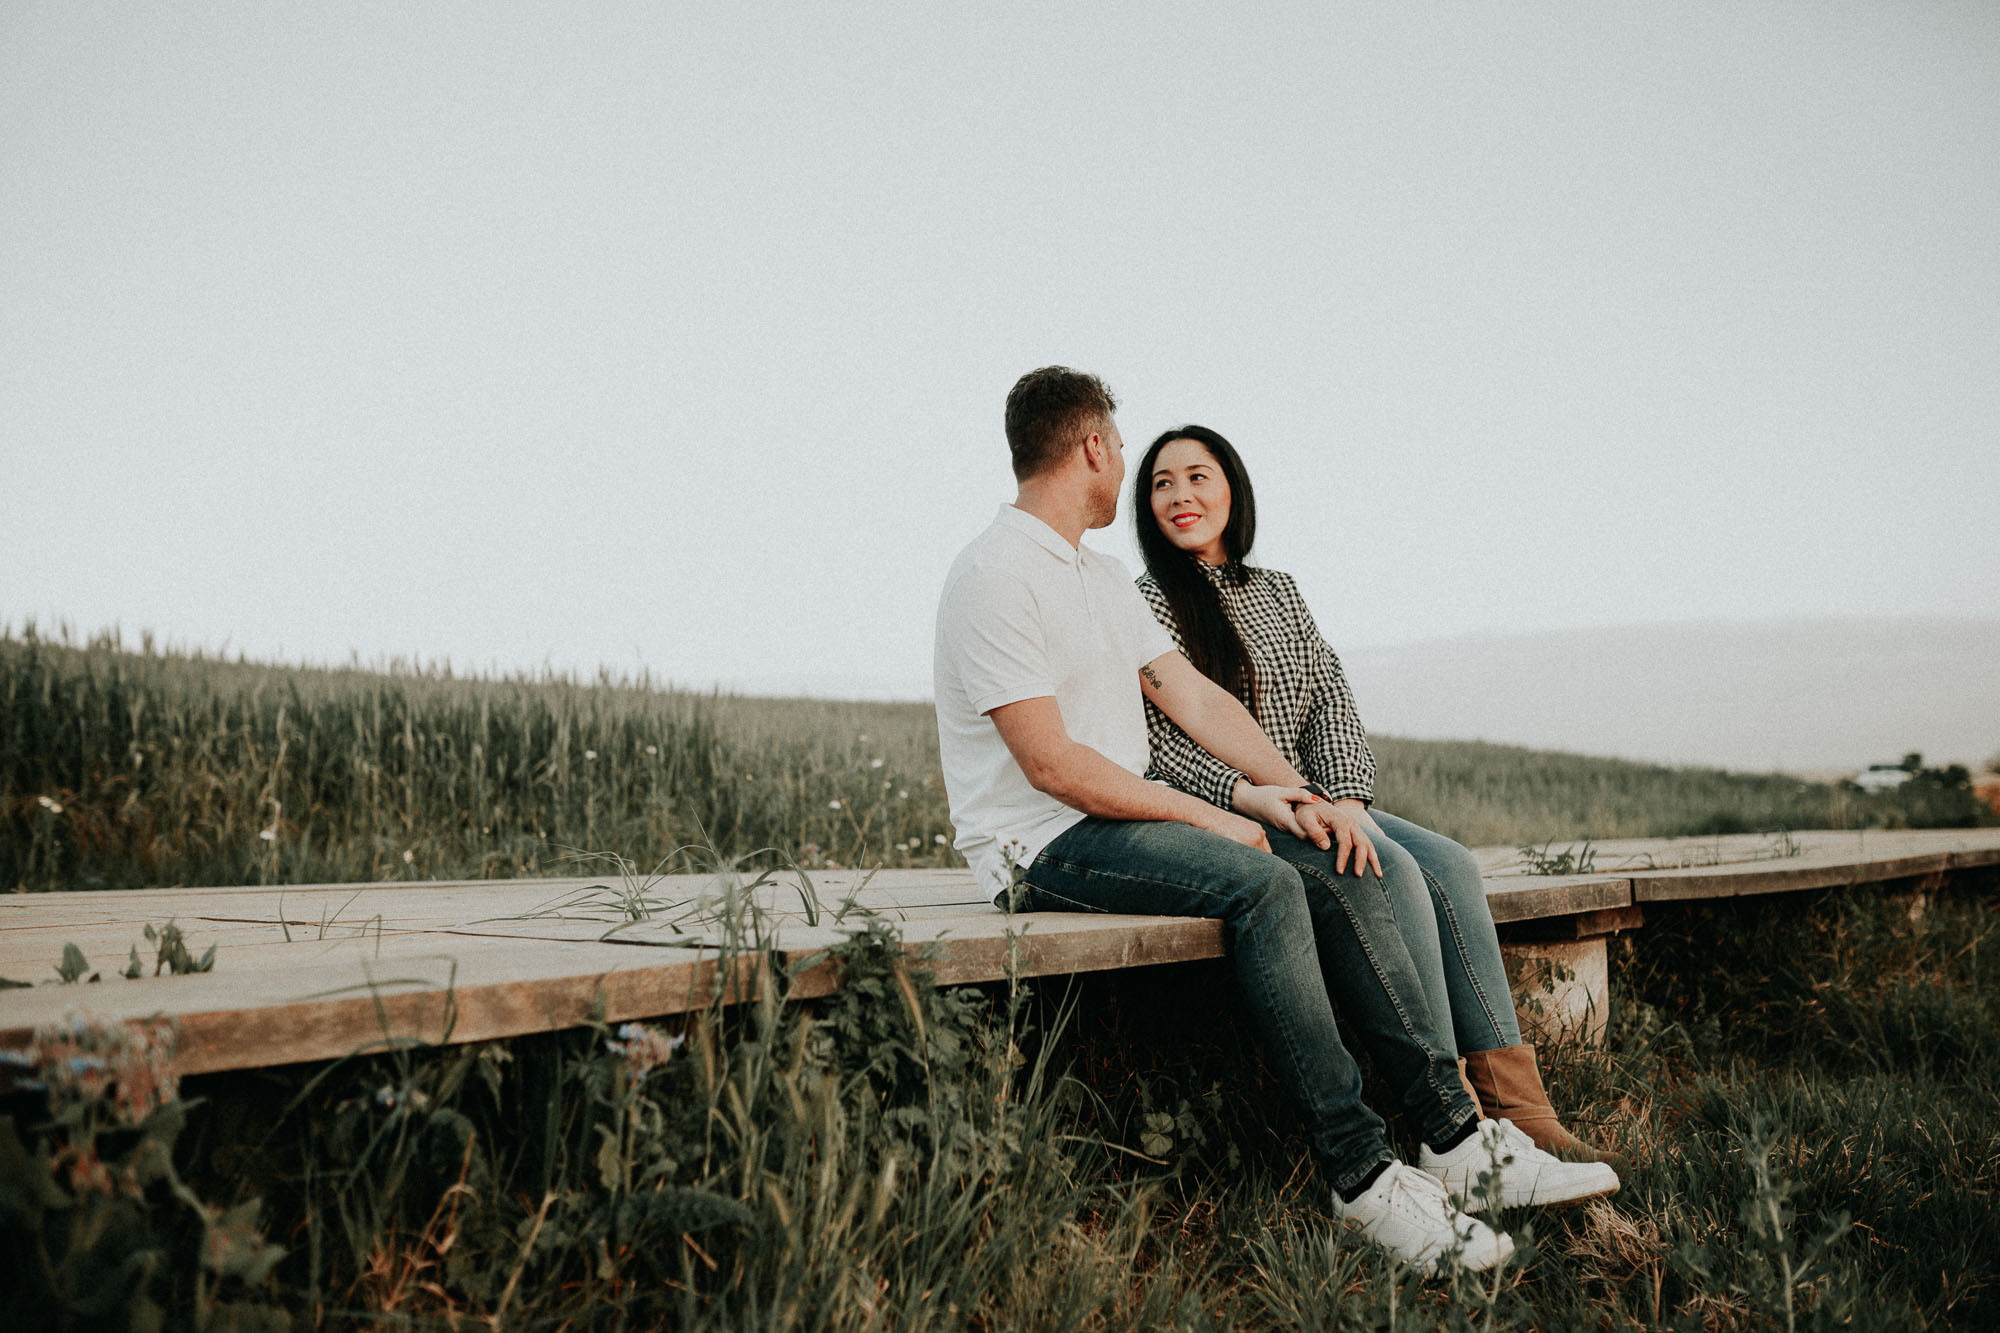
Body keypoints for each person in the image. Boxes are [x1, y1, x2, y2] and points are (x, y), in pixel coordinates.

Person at [934, 368, 1611, 1277]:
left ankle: (1454, 1139)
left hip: (1114, 822)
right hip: (1038, 846)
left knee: (1325, 850)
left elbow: (1199, 700)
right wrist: (1211, 815)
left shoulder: (1093, 575)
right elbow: (1050, 764)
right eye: (1126, 450)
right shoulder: (993, 572)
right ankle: (1360, 1172)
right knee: (1264, 881)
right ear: (1094, 446)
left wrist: (1305, 795)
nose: (1130, 466)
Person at [1132, 423, 1621, 1166]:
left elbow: (1332, 700)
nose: (1181, 495)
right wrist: (1267, 794)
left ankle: (1521, 1106)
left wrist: (1351, 800)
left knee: (1451, 863)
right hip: (1237, 807)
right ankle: (1447, 1113)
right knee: (1386, 868)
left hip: (1322, 795)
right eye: (1162, 483)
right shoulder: (1147, 603)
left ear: (1232, 487)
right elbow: (1163, 744)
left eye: (1198, 476)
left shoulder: (1279, 592)